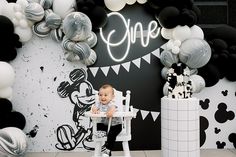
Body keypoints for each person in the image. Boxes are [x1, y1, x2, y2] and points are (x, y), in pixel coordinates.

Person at [91, 84, 122, 157]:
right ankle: (102, 132)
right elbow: (94, 107)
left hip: (116, 125)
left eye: (105, 95)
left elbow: (113, 108)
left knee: (111, 134)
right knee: (99, 124)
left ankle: (108, 149)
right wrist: (94, 109)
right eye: (100, 95)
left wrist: (111, 111)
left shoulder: (112, 103)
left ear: (112, 97)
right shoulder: (99, 103)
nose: (103, 97)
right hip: (105, 124)